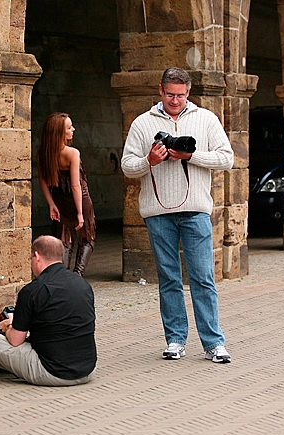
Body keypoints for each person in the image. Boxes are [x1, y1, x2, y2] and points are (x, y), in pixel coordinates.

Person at [120, 67, 234, 363]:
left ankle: (213, 343)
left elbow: (226, 158)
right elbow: (127, 166)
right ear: (160, 90)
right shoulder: (143, 123)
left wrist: (190, 156)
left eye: (181, 95)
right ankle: (175, 340)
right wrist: (150, 160)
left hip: (195, 210)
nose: (175, 100)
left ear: (189, 93)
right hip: (158, 212)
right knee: (168, 278)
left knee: (203, 278)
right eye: (170, 94)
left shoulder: (206, 118)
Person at [0, 235, 97, 386]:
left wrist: (8, 327)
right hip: (87, 370)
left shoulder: (32, 290)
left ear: (36, 256)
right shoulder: (83, 285)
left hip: (52, 372)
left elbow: (15, 340)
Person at [37, 112, 96, 276]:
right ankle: (77, 276)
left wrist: (51, 204)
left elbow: (42, 181)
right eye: (69, 127)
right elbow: (76, 185)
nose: (73, 130)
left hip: (59, 199)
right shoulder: (72, 153)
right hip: (80, 200)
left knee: (64, 241)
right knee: (87, 239)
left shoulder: (44, 153)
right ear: (59, 133)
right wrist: (80, 213)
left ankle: (61, 276)